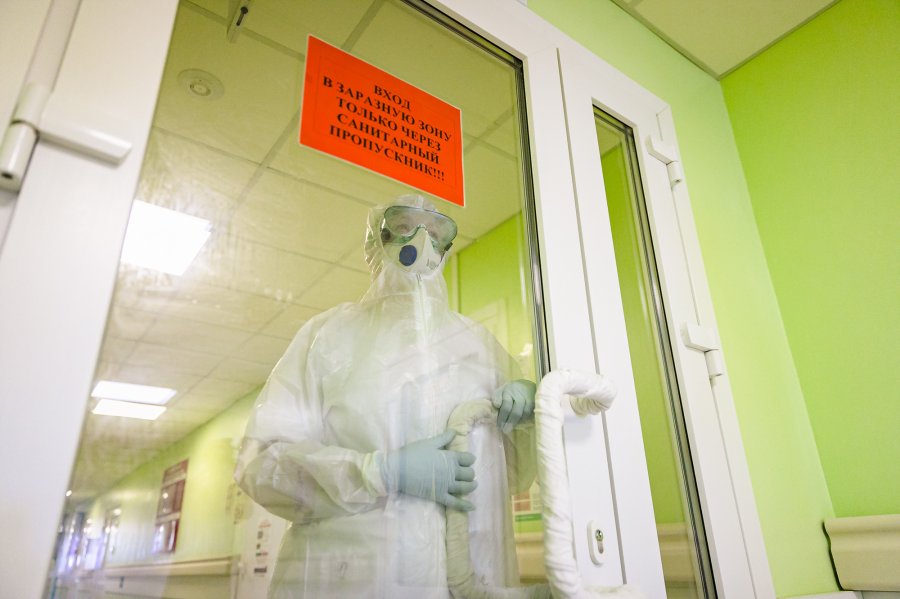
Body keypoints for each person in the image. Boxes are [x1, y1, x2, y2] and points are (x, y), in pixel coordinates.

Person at [234, 194, 537, 598]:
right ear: (376, 240)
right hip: (351, 582)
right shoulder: (328, 337)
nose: (422, 241)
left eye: (435, 233)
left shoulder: (476, 345)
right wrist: (380, 472)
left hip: (470, 580)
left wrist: (529, 420)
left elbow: (514, 475)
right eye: (404, 226)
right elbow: (262, 465)